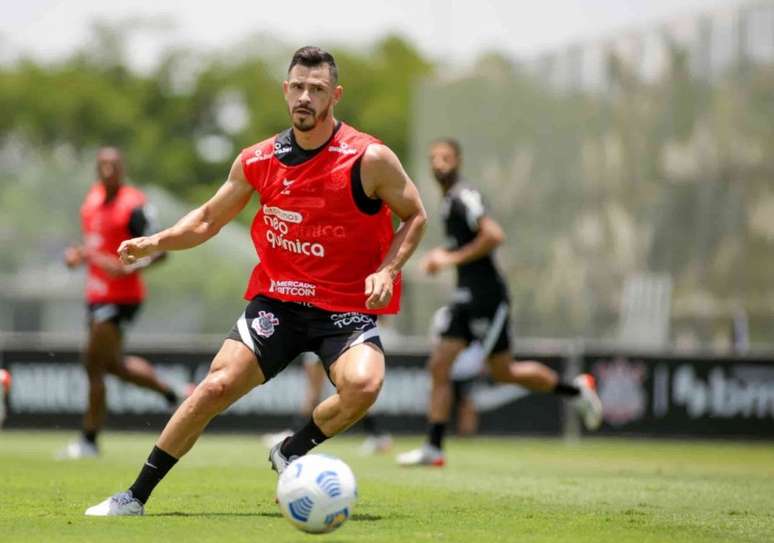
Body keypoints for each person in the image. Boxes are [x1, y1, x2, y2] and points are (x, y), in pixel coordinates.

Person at [85, 46, 427, 516]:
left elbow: (415, 215)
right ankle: (134, 496)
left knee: (364, 387)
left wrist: (388, 269)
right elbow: (207, 220)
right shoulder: (259, 160)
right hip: (279, 302)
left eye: (317, 89)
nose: (305, 97)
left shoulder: (369, 158)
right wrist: (152, 242)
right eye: (298, 87)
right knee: (215, 386)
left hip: (346, 307)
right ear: (286, 91)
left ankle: (291, 449)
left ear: (335, 96)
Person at [397, 138, 602, 467]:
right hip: (463, 300)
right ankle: (434, 447)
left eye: (445, 158)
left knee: (504, 372)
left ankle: (576, 391)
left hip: (488, 299)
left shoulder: (466, 195)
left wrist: (448, 259)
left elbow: (493, 235)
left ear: (459, 161)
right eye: (433, 158)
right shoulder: (449, 201)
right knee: (439, 365)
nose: (439, 164)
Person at [60, 147, 183, 460]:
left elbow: (161, 251)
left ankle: (88, 441)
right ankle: (173, 393)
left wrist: (129, 267)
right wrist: (78, 255)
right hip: (96, 295)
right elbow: (93, 246)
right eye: (102, 165)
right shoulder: (91, 200)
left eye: (113, 165)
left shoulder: (135, 205)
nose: (107, 170)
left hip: (122, 297)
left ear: (122, 168)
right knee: (114, 365)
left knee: (93, 363)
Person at [260, 353, 393, 455]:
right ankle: (377, 435)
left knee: (349, 392)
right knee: (351, 393)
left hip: (326, 330)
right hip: (330, 330)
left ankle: (293, 435)